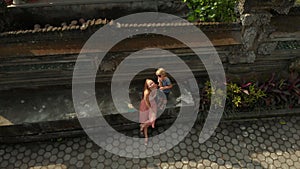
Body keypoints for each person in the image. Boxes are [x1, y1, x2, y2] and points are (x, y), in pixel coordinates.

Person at [139, 79, 158, 145]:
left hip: (152, 103)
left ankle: (143, 126)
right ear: (148, 87)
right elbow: (146, 102)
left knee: (152, 119)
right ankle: (146, 136)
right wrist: (151, 110)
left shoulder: (155, 86)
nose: (152, 84)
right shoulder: (146, 92)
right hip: (146, 105)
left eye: (152, 82)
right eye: (150, 84)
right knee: (146, 119)